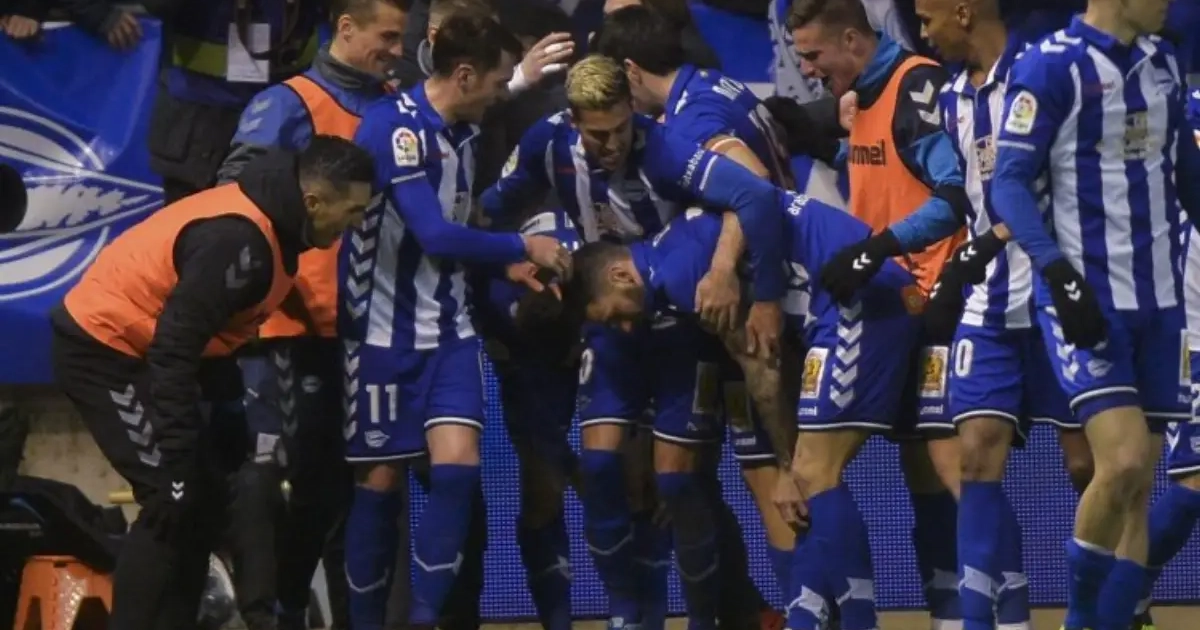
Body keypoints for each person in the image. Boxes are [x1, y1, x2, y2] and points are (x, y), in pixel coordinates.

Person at [481, 54, 785, 630]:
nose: (614, 144)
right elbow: (486, 210)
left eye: (621, 127)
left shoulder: (666, 148)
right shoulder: (546, 143)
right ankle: (628, 615)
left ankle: (703, 619)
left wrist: (735, 276)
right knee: (600, 466)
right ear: (573, 120)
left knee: (676, 482)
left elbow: (753, 195)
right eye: (599, 134)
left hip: (679, 327)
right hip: (611, 320)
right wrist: (507, 258)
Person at [49, 137, 374, 630]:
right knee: (169, 499)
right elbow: (174, 348)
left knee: (202, 503)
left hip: (155, 352)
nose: (356, 223)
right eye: (352, 211)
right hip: (104, 349)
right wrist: (178, 456)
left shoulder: (279, 227)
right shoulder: (239, 242)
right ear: (314, 201)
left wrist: (225, 417)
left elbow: (212, 335)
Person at [568, 191, 922, 630]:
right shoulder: (675, 246)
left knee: (812, 473)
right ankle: (809, 620)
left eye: (613, 316)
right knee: (809, 477)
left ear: (620, 275)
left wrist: (785, 465)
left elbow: (760, 366)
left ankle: (859, 621)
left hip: (862, 301)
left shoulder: (681, 277)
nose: (624, 327)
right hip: (840, 308)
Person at [341, 15, 571, 630]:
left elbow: (463, 221)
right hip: (383, 335)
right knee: (379, 485)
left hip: (451, 330)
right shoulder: (393, 129)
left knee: (459, 470)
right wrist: (523, 247)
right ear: (465, 76)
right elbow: (435, 235)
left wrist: (502, 266)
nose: (502, 94)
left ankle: (425, 618)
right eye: (497, 82)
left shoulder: (464, 130)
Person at [988, 1, 1199, 628]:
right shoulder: (1049, 66)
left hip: (1160, 303)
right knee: (1124, 459)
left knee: (1136, 489)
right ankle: (1079, 619)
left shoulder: (1163, 61)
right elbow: (1008, 183)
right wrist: (1057, 273)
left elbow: (1188, 177)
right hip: (1086, 298)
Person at [592, 5, 800, 613]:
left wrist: (724, 270)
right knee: (751, 472)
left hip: (765, 300)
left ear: (631, 71)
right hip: (767, 294)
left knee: (778, 477)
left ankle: (810, 610)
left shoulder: (693, 118)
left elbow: (755, 189)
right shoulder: (717, 85)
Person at [775, 1, 971, 627]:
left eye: (814, 55)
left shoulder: (916, 84)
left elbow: (954, 197)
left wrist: (879, 247)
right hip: (893, 297)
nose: (808, 70)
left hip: (936, 299)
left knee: (947, 472)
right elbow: (886, 172)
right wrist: (825, 148)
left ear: (853, 39)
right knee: (924, 469)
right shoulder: (860, 95)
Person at [214, 1, 407, 628]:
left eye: (402, 39)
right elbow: (232, 200)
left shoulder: (395, 105)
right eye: (387, 37)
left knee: (361, 493)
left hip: (374, 330)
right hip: (300, 329)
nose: (397, 51)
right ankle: (282, 610)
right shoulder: (288, 104)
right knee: (303, 486)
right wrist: (281, 280)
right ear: (345, 27)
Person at [903, 1, 1061, 629]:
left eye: (927, 17)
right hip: (987, 302)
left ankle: (1121, 609)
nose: (923, 33)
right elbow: (962, 197)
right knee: (973, 456)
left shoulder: (1042, 76)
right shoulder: (950, 100)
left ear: (963, 12)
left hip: (1054, 294)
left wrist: (991, 241)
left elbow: (1058, 183)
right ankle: (992, 622)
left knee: (1090, 466)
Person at [471, 207, 583, 630]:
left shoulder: (591, 289)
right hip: (522, 358)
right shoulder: (495, 302)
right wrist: (567, 465)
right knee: (544, 486)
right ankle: (558, 620)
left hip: (583, 344)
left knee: (628, 478)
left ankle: (634, 614)